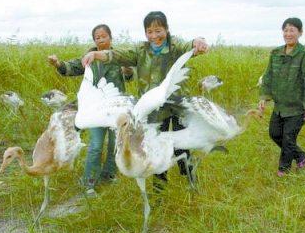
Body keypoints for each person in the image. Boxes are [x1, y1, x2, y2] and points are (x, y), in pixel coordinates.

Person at [81, 11, 209, 195]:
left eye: (158, 30)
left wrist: (199, 40)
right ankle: (159, 189)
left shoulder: (174, 46)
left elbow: (190, 45)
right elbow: (117, 56)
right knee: (157, 146)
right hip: (154, 110)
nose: (154, 36)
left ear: (166, 29)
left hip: (176, 106)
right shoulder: (140, 51)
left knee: (182, 146)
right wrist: (95, 55)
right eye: (149, 31)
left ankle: (190, 179)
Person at [48, 24, 133, 196]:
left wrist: (128, 70)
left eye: (104, 36)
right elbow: (71, 68)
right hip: (95, 109)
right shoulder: (89, 57)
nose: (101, 40)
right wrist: (58, 64)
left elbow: (129, 77)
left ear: (111, 37)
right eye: (98, 37)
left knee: (114, 144)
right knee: (95, 144)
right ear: (95, 40)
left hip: (115, 109)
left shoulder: (118, 58)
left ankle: (109, 174)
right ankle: (90, 182)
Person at [259, 17, 305, 176]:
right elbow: (268, 76)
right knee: (274, 133)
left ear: (300, 33)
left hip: (297, 107)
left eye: (292, 30)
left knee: (288, 139)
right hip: (280, 106)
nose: (288, 34)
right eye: (285, 30)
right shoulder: (276, 53)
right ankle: (301, 156)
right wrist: (263, 97)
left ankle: (283, 172)